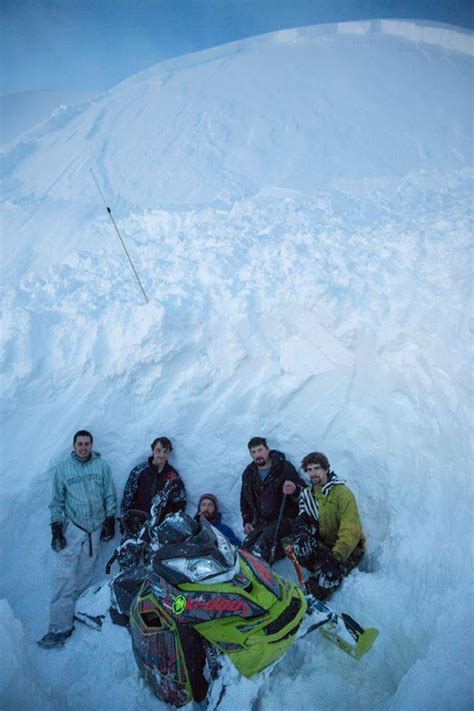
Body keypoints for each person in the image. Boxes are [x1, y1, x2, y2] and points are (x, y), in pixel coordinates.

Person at [38, 430, 116, 648]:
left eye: (87, 443)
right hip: (73, 527)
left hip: (96, 528)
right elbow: (56, 502)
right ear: (74, 446)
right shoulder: (63, 469)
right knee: (64, 576)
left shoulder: (101, 466)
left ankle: (77, 616)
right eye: (80, 443)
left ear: (91, 445)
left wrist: (110, 518)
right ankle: (58, 627)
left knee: (86, 574)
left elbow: (109, 493)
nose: (84, 447)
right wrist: (56, 529)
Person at [289, 451, 365, 601]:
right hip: (325, 543)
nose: (313, 473)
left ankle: (311, 592)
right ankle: (320, 567)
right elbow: (302, 517)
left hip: (347, 549)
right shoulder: (307, 494)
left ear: (326, 469)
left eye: (317, 468)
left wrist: (336, 557)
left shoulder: (342, 493)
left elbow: (351, 530)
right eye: (309, 470)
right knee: (299, 546)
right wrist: (302, 533)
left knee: (329, 577)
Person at [240, 436, 305, 563]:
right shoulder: (249, 473)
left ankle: (262, 576)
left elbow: (303, 492)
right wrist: (247, 521)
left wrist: (294, 490)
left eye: (260, 450)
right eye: (253, 452)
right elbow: (244, 500)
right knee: (246, 547)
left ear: (268, 450)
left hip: (283, 519)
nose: (257, 455)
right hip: (261, 522)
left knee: (262, 546)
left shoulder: (283, 467)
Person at [120, 436, 186, 529]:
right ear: (152, 450)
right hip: (137, 524)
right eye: (158, 450)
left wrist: (170, 525)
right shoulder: (139, 471)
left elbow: (180, 502)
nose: (161, 455)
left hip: (161, 528)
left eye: (165, 451)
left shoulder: (173, 476)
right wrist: (125, 519)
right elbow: (127, 497)